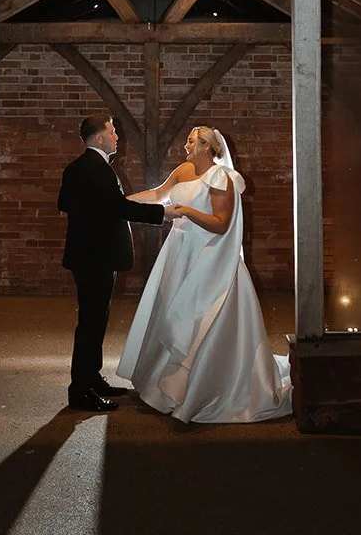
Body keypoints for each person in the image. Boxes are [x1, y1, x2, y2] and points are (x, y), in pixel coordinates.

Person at [116, 126, 292, 423]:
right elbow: (159, 194)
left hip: (207, 255)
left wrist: (186, 211)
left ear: (207, 147)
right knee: (170, 311)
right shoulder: (184, 170)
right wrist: (120, 204)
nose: (186, 144)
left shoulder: (221, 178)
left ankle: (200, 387)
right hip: (178, 253)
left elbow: (221, 223)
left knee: (197, 318)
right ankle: (161, 382)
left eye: (191, 141)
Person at [57, 114, 177, 412]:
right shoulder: (97, 169)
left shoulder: (76, 168)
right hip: (96, 256)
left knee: (95, 320)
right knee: (91, 323)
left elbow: (65, 203)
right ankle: (81, 391)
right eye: (112, 132)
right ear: (99, 138)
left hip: (87, 255)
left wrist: (94, 212)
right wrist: (163, 214)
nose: (117, 137)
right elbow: (117, 207)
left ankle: (92, 378)